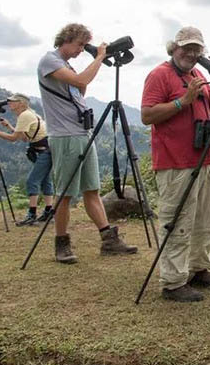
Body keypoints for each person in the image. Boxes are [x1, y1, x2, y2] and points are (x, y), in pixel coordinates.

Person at [37, 23, 137, 264]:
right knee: (65, 193)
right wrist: (100, 56)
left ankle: (109, 239)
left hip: (82, 132)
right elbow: (82, 79)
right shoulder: (49, 61)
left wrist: (97, 58)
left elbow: (80, 88)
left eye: (84, 46)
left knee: (91, 189)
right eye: (80, 45)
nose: (82, 50)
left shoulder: (65, 65)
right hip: (65, 136)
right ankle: (61, 243)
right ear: (66, 39)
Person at [141, 26, 210, 302]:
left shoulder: (197, 73)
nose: (191, 53)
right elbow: (147, 115)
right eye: (186, 48)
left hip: (203, 159)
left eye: (196, 49)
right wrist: (183, 101)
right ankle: (173, 282)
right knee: (177, 221)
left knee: (205, 219)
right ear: (173, 48)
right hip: (175, 162)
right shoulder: (159, 75)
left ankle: (199, 268)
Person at [0, 93, 54, 226]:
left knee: (32, 181)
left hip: (44, 152)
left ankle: (32, 215)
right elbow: (25, 138)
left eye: (12, 101)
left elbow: (14, 139)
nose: (9, 103)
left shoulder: (24, 116)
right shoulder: (30, 113)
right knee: (45, 181)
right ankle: (49, 212)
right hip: (48, 150)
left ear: (21, 103)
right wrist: (9, 127)